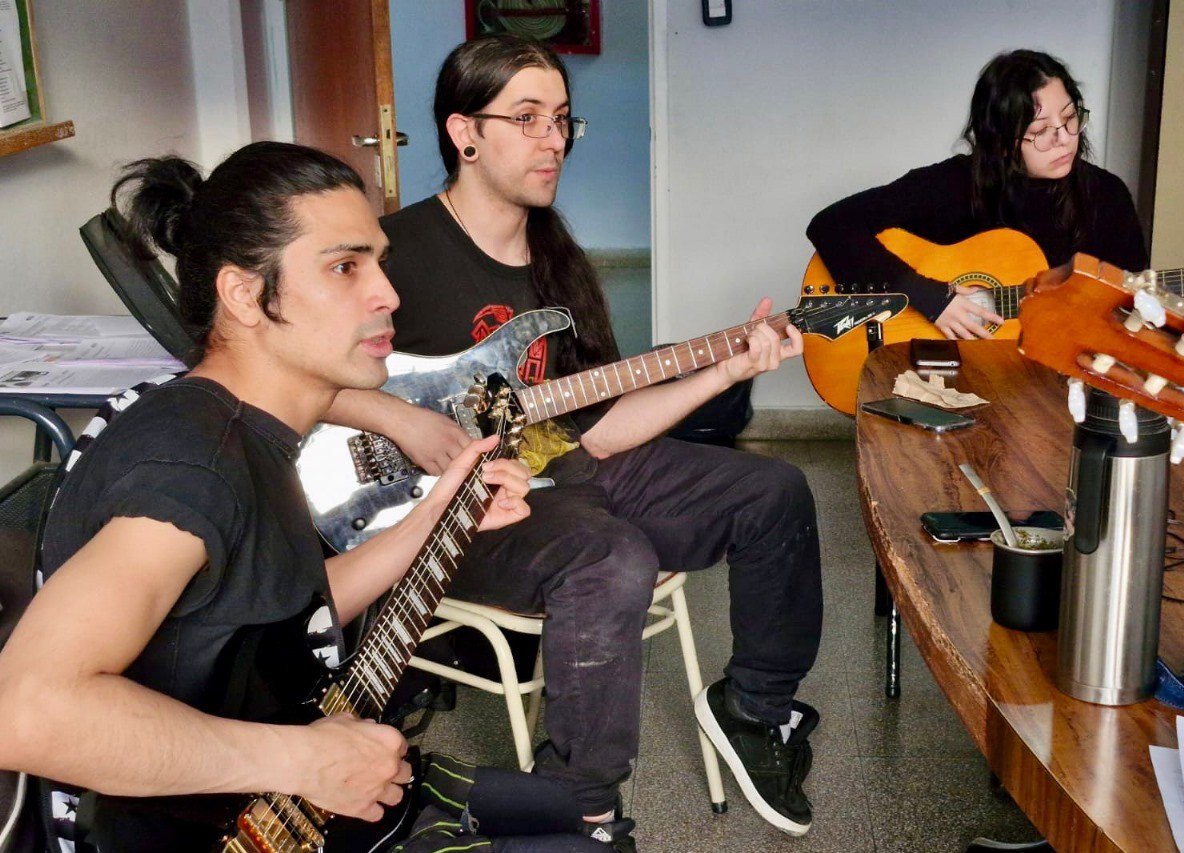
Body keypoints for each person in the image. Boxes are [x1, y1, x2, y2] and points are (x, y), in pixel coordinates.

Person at [0, 141, 635, 852]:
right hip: (197, 824)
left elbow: (275, 612)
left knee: (573, 814)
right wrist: (303, 759)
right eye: (343, 267)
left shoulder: (254, 428)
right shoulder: (190, 466)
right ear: (245, 295)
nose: (387, 294)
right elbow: (27, 711)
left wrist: (439, 515)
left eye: (378, 262)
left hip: (255, 795)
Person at [326, 34, 823, 838]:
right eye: (527, 118)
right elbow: (295, 379)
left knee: (773, 490)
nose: (553, 139)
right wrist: (402, 418)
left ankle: (756, 710)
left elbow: (599, 426)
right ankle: (579, 806)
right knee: (610, 557)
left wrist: (724, 371)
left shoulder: (557, 260)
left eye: (562, 119)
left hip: (559, 470)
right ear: (464, 133)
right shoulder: (394, 252)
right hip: (445, 512)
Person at [807, 49, 1184, 340]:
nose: (1064, 139)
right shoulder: (953, 185)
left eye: (1070, 118)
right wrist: (930, 298)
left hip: (1056, 387)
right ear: (1000, 140)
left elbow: (1132, 321)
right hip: (948, 376)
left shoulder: (1105, 197)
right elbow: (831, 224)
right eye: (1040, 131)